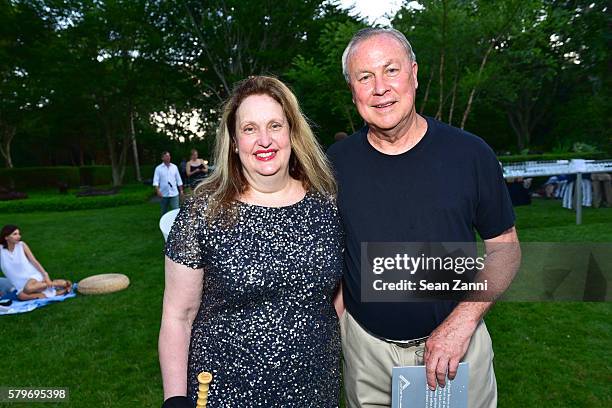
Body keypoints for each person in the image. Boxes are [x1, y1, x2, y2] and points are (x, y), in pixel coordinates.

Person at [327, 28, 521, 408]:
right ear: (353, 90)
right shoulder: (333, 165)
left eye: (391, 70)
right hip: (368, 357)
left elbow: (506, 250)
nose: (380, 88)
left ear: (414, 74)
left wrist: (461, 324)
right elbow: (330, 258)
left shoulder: (470, 154)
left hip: (457, 351)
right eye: (365, 77)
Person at [159, 76, 344, 408]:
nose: (264, 140)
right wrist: (175, 400)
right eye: (249, 129)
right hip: (225, 390)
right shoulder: (203, 213)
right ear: (233, 140)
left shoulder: (327, 204)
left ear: (292, 132)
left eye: (275, 125)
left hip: (316, 386)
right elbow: (178, 315)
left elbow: (338, 295)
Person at [0, 225, 72, 301]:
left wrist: (45, 275)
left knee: (28, 289)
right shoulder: (1, 249)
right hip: (20, 283)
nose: (19, 236)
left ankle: (55, 284)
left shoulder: (21, 245)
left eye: (19, 234)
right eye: (15, 234)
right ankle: (57, 293)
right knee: (21, 296)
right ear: (6, 237)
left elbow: (34, 261)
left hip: (32, 276)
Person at [153, 151, 184, 216]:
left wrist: (181, 191)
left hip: (174, 193)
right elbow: (155, 181)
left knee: (176, 210)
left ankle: (176, 223)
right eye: (166, 156)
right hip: (163, 194)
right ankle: (164, 224)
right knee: (164, 211)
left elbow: (179, 180)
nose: (168, 157)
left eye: (169, 156)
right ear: (162, 158)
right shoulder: (158, 168)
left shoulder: (174, 167)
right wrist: (158, 191)